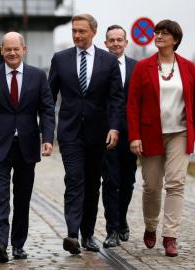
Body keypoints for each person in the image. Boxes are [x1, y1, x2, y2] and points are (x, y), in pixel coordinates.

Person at [0, 32, 55, 263]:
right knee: (1, 195)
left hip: (27, 146)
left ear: (24, 49)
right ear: (1, 50)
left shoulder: (38, 77)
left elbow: (47, 110)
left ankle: (18, 245)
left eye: (15, 49)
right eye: (7, 49)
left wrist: (47, 138)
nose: (11, 53)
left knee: (22, 198)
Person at [48, 14, 124, 255]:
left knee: (92, 184)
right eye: (74, 31)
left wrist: (114, 128)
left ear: (93, 31)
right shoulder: (60, 59)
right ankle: (72, 233)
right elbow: (49, 98)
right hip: (70, 132)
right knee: (74, 179)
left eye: (82, 31)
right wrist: (46, 133)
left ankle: (88, 234)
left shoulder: (108, 62)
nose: (77, 35)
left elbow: (116, 99)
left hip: (98, 133)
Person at [127, 19, 195, 257]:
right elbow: (133, 104)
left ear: (175, 40)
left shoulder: (188, 67)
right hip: (150, 134)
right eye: (157, 33)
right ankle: (151, 225)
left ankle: (170, 236)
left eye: (164, 34)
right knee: (152, 187)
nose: (158, 36)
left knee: (176, 184)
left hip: (180, 132)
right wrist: (134, 136)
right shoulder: (143, 67)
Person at [101, 25, 137, 248]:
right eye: (111, 40)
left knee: (128, 181)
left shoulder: (137, 67)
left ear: (126, 43)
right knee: (110, 181)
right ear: (105, 44)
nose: (115, 43)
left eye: (119, 39)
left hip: (132, 134)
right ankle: (112, 229)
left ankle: (121, 218)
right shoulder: (99, 66)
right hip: (106, 133)